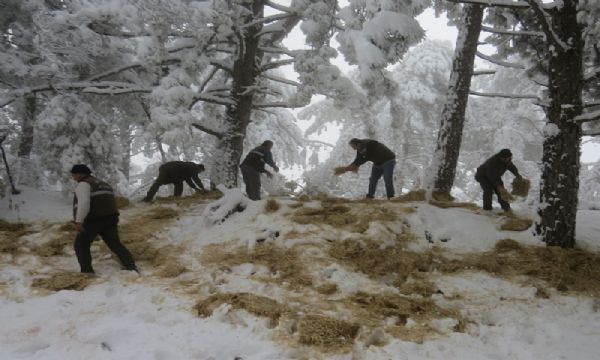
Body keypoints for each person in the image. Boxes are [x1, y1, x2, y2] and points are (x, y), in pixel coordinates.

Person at [70, 164, 137, 274]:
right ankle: (131, 266)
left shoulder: (84, 184)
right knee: (115, 243)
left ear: (79, 174)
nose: (73, 178)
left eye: (73, 175)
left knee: (81, 245)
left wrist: (79, 221)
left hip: (94, 220)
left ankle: (87, 272)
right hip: (111, 218)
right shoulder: (104, 184)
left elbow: (84, 203)